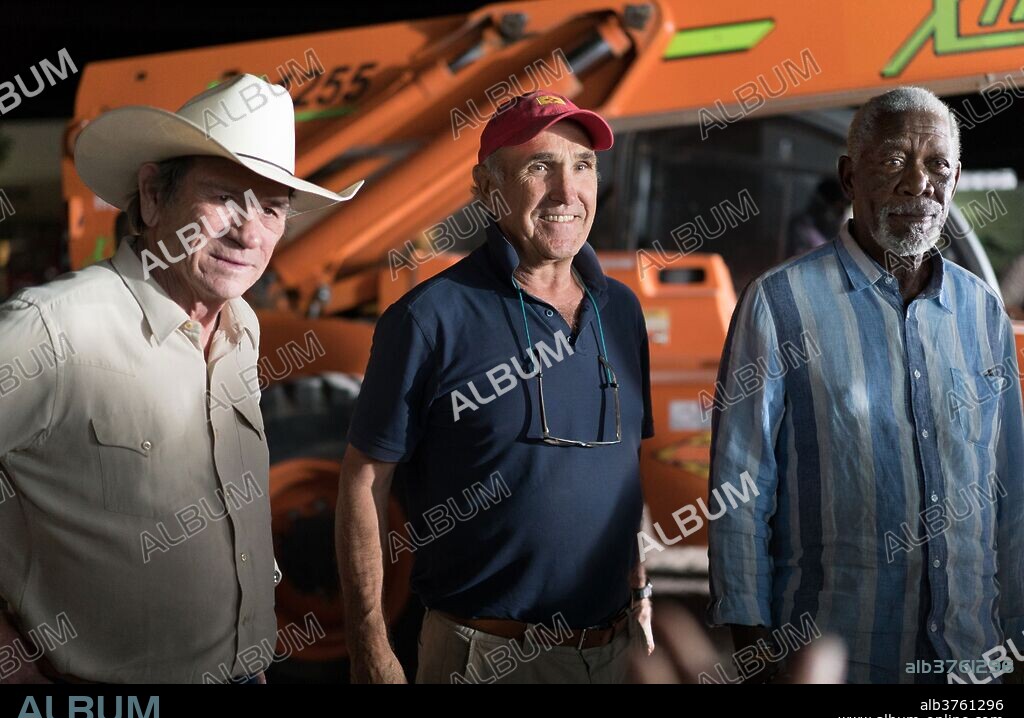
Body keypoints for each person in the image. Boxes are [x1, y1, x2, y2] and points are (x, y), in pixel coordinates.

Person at [0, 74, 361, 684]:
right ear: (151, 196)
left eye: (271, 209)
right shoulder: (54, 330)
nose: (249, 234)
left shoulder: (240, 331)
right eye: (226, 198)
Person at [707, 86, 1024, 684]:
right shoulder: (781, 304)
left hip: (968, 666)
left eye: (937, 166)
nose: (916, 185)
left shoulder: (982, 311)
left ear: (955, 180)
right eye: (894, 162)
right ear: (850, 177)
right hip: (838, 662)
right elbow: (741, 490)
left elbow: (1010, 487)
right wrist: (755, 654)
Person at [336, 90, 655, 684]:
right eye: (540, 167)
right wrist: (370, 648)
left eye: (582, 166)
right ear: (487, 188)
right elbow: (363, 481)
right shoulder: (429, 319)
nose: (568, 193)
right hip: (487, 658)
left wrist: (641, 589)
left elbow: (621, 470)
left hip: (615, 650)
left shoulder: (623, 313)